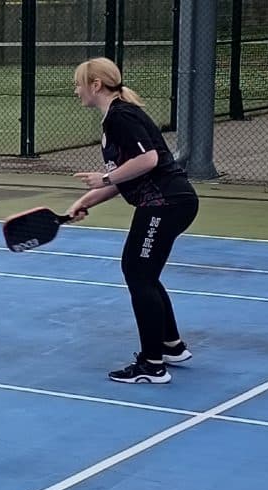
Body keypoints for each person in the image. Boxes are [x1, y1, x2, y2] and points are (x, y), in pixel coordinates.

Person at [63, 57, 200, 384]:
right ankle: (171, 345)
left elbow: (148, 160)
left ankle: (152, 365)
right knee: (144, 273)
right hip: (168, 201)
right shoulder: (117, 117)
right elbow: (125, 177)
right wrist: (84, 202)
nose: (76, 90)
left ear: (95, 85)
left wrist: (105, 180)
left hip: (165, 202)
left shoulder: (121, 116)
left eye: (79, 83)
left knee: (138, 273)